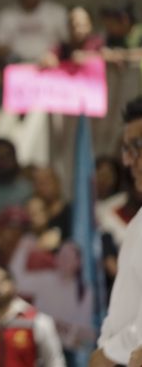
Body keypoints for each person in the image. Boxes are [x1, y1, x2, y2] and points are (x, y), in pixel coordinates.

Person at [90, 96, 142, 366]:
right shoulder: (138, 223)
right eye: (126, 149)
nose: (129, 160)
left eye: (139, 146)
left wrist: (108, 354)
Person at [0, 0, 68, 63]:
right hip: (16, 67)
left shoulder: (57, 12)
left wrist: (55, 54)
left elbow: (67, 44)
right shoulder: (6, 15)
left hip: (50, 66)